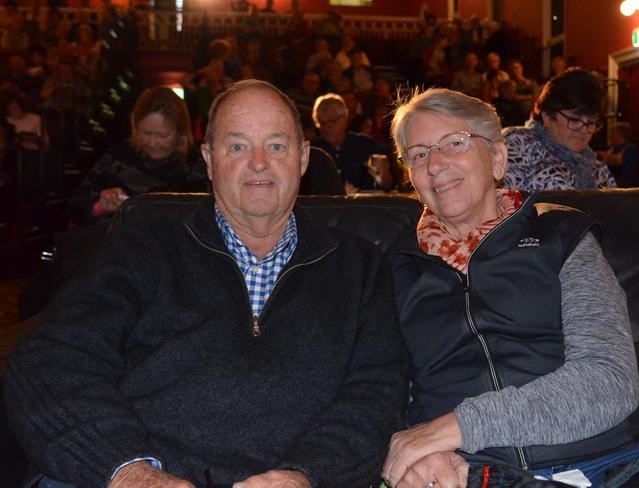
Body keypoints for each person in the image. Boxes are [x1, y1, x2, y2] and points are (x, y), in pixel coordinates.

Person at [5, 79, 408, 488]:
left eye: (276, 146)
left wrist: (304, 475)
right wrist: (128, 470)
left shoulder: (359, 268)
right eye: (237, 146)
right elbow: (52, 360)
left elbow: (376, 395)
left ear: (303, 158)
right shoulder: (142, 249)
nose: (258, 163)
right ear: (208, 159)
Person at [382, 86, 639, 488]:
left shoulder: (561, 234)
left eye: (454, 143)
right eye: (419, 154)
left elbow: (610, 380)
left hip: (611, 461)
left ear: (498, 157)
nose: (434, 164)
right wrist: (413, 452)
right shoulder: (393, 271)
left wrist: (455, 429)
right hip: (475, 474)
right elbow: (373, 392)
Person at [68, 86, 209, 225]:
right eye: (145, 133)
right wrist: (99, 207)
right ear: (135, 127)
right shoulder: (118, 157)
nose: (152, 143)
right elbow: (75, 207)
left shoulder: (197, 166)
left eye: (162, 135)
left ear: (180, 132)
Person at [503, 68, 617, 190]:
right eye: (574, 120)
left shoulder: (597, 167)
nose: (584, 130)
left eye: (591, 123)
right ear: (547, 115)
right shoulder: (517, 143)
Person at [310, 93, 391, 192]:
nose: (327, 127)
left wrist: (383, 175)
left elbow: (388, 186)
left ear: (345, 118)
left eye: (332, 120)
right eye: (322, 123)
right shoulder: (311, 152)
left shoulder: (367, 145)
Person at [596, 121, 639, 188]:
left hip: (624, 185)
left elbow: (630, 172)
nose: (610, 137)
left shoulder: (631, 148)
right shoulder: (612, 148)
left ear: (620, 136)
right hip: (609, 181)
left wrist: (611, 159)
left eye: (613, 134)